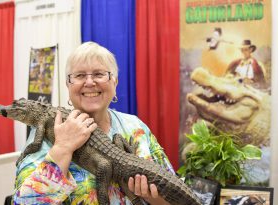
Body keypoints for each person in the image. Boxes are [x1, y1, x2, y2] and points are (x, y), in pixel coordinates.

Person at [13, 42, 174, 205]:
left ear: (115, 82)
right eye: (80, 75)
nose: (89, 82)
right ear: (68, 85)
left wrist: (151, 196)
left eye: (99, 74)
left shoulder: (134, 126)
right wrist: (62, 148)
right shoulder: (51, 130)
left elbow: (174, 192)